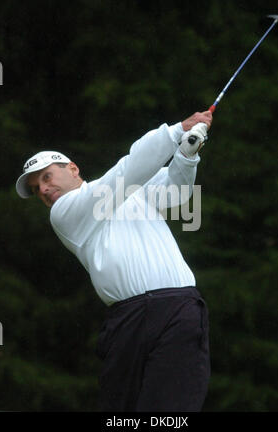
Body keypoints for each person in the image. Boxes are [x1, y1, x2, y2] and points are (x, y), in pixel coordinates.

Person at [15, 110, 212, 412]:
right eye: (35, 189)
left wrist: (186, 153)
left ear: (73, 168)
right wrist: (175, 132)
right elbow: (126, 172)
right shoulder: (65, 213)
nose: (42, 189)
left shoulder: (125, 193)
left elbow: (176, 191)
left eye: (46, 177)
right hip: (128, 320)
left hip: (178, 308)